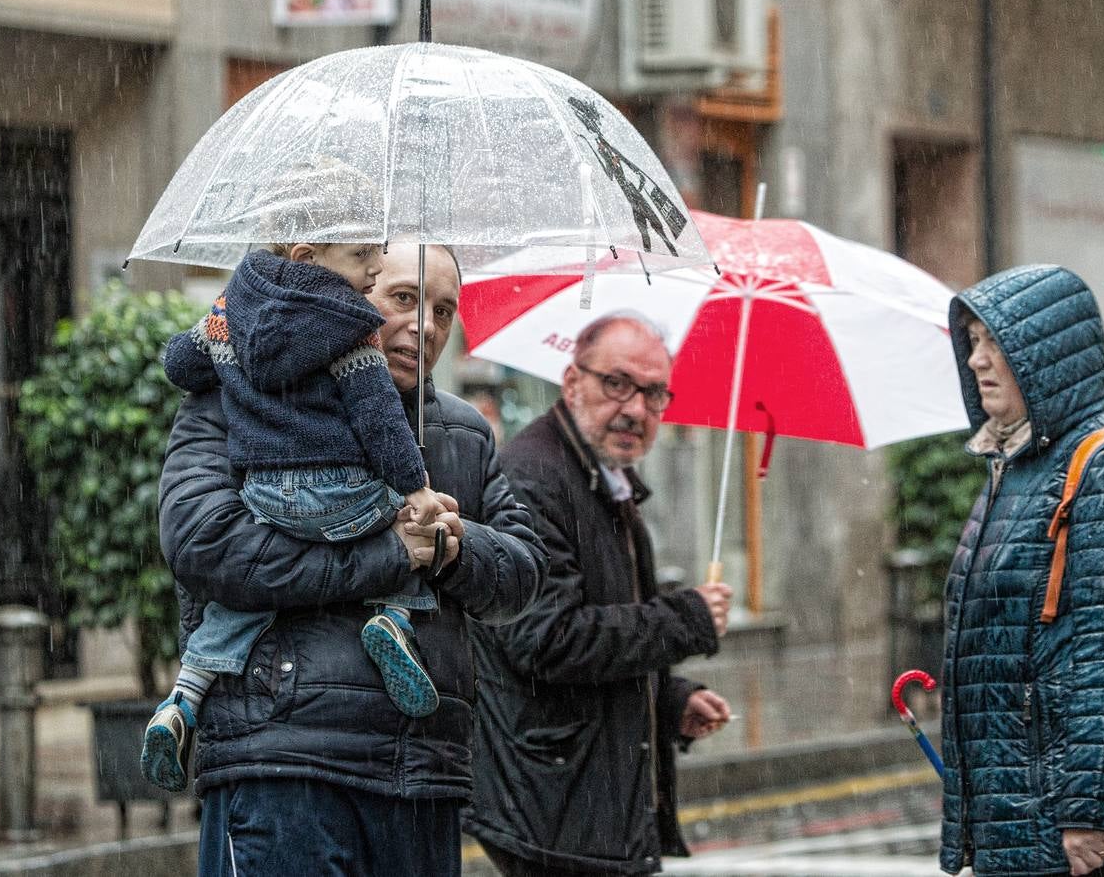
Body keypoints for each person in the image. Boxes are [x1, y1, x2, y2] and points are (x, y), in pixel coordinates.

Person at [158, 243, 546, 876]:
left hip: (422, 777)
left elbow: (523, 573)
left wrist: (450, 544)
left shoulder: (462, 431)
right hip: (284, 762)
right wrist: (390, 555)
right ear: (347, 290)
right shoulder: (240, 399)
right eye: (402, 298)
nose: (426, 326)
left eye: (445, 310)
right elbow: (206, 546)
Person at [143, 242, 453, 793]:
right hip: (340, 494)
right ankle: (393, 617)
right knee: (413, 523)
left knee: (242, 600)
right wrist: (417, 489)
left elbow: (179, 362)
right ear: (310, 256)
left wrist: (225, 349)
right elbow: (380, 420)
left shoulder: (228, 308)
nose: (374, 269)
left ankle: (184, 696)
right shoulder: (353, 323)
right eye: (363, 256)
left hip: (264, 496)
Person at [938, 265, 1104, 877]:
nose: (977, 360)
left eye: (995, 343)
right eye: (972, 342)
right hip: (1018, 813)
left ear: (1045, 355)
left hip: (1069, 824)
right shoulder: (1014, 465)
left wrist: (1089, 812)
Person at [464, 312, 734, 877]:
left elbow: (604, 618)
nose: (636, 408)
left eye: (654, 393)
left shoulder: (603, 476)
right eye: (617, 384)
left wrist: (668, 700)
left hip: (587, 803)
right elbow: (547, 641)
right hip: (554, 806)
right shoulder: (535, 478)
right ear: (572, 381)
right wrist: (685, 619)